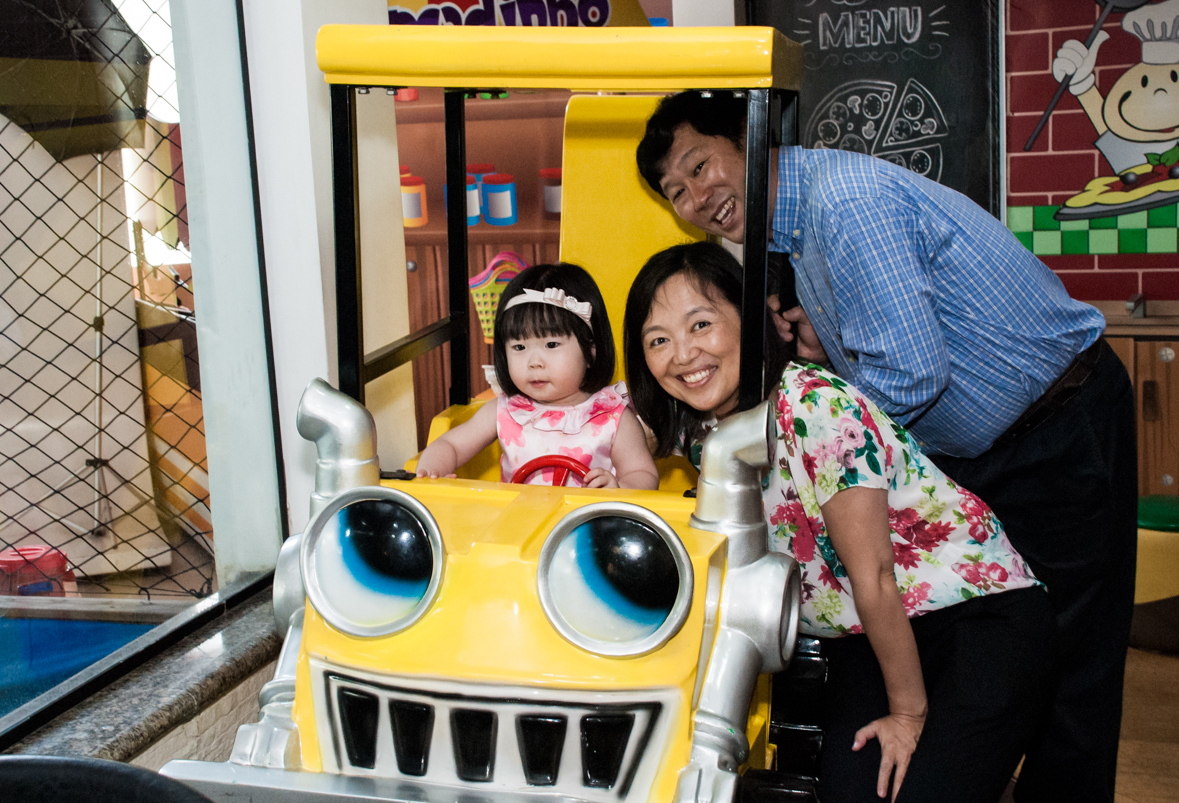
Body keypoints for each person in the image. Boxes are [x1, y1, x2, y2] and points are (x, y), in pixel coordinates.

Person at [636, 91, 1136, 803]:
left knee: (1073, 673)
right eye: (676, 192)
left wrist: (792, 414)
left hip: (1056, 426)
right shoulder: (800, 233)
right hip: (979, 456)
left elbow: (910, 374)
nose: (696, 197)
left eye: (700, 166)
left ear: (746, 141)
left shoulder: (843, 206)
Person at [625, 241, 1055, 803]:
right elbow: (599, 410)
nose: (682, 355)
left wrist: (907, 714)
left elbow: (874, 574)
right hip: (864, 639)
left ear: (753, 319)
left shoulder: (811, 404)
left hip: (973, 619)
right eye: (659, 340)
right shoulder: (703, 430)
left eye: (700, 324)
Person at [416, 262, 658, 490]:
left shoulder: (613, 417)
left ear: (591, 350)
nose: (534, 362)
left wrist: (619, 488)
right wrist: (432, 470)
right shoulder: (505, 411)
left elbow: (643, 474)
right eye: (519, 347)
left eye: (551, 344)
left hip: (591, 529)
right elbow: (451, 446)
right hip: (519, 529)